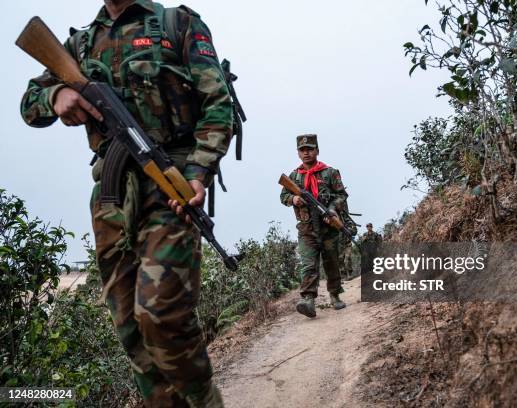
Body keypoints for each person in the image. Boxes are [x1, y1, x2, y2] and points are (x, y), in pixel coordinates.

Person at [20, 1, 233, 406]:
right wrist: (57, 95)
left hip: (170, 186)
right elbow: (30, 103)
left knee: (160, 314)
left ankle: (205, 399)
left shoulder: (176, 24)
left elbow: (218, 105)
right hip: (112, 198)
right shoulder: (81, 43)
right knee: (128, 326)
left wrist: (198, 172)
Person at [280, 134, 348, 318]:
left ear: (317, 150)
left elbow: (342, 195)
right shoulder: (294, 176)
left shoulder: (330, 172)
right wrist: (294, 198)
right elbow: (283, 196)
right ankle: (308, 299)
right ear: (298, 153)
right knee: (308, 265)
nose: (306, 153)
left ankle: (334, 295)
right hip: (306, 229)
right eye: (302, 150)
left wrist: (332, 210)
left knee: (331, 262)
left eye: (310, 149)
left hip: (328, 228)